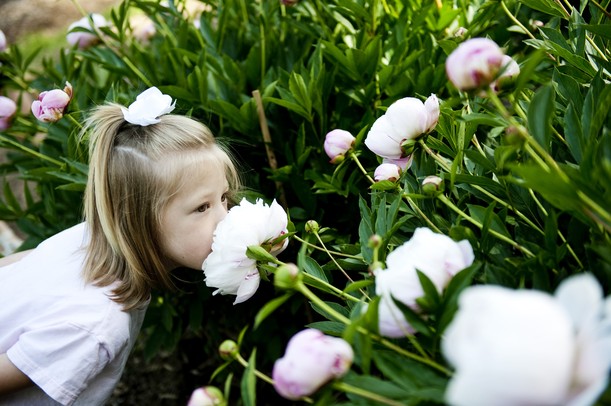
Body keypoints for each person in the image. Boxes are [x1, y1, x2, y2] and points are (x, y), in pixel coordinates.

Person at [0, 87, 240, 405]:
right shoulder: (96, 326)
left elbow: (14, 265)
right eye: (202, 208)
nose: (226, 218)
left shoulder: (87, 236)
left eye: (223, 198)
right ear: (139, 218)